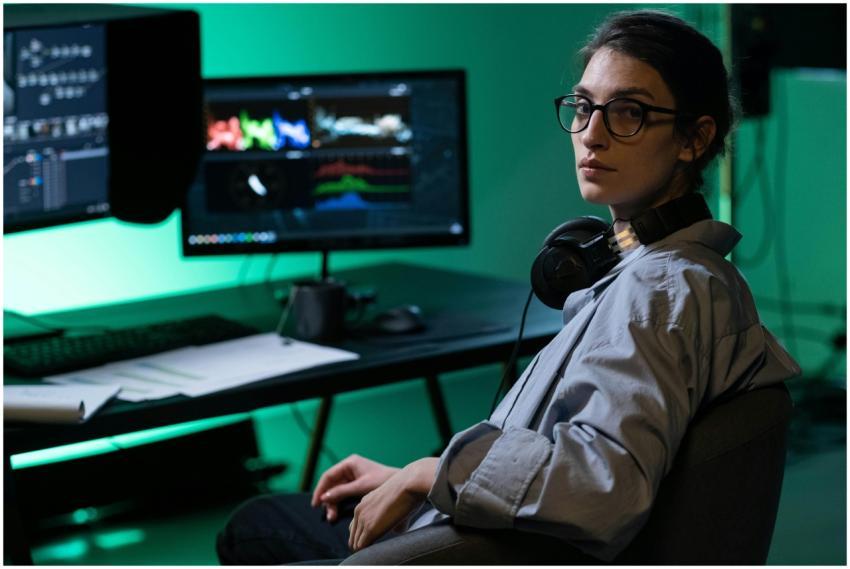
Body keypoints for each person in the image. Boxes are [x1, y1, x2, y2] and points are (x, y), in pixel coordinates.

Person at [216, 10, 801, 564]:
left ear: (694, 139)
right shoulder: (696, 274)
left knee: (257, 522)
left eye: (628, 113)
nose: (591, 135)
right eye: (583, 106)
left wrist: (431, 475)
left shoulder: (655, 293)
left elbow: (603, 488)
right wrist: (427, 471)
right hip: (492, 526)